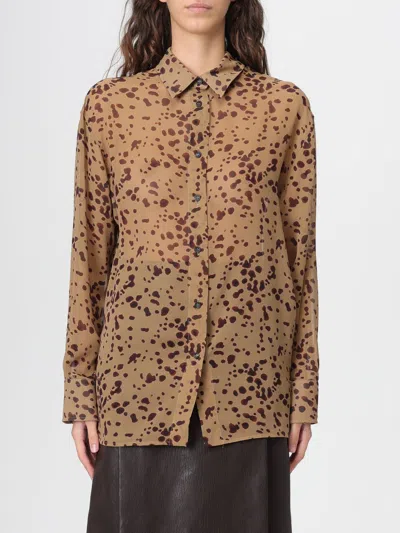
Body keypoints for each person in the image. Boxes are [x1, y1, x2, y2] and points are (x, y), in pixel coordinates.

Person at [62, 1, 320, 532]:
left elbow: (300, 264)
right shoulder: (110, 108)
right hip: (136, 391)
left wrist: (303, 392)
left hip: (250, 391)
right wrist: (80, 389)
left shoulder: (283, 109)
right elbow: (89, 257)